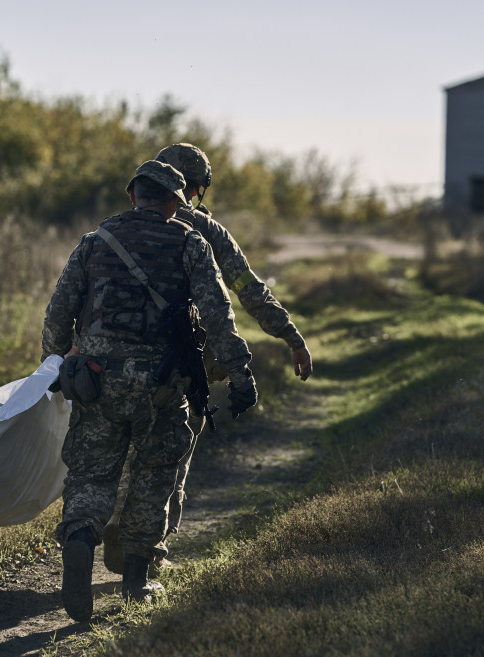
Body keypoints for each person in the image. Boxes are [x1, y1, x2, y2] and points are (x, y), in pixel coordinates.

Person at [42, 160, 257, 622]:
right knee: (155, 473)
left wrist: (57, 363)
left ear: (133, 195)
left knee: (93, 472)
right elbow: (219, 315)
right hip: (162, 384)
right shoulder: (190, 242)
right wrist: (241, 375)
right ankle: (136, 580)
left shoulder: (94, 243)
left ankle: (79, 537)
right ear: (177, 202)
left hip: (97, 378)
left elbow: (58, 313)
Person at [102, 142, 314, 575]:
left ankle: (115, 528)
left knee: (125, 454)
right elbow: (249, 290)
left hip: (115, 364)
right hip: (182, 367)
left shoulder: (118, 228)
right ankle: (151, 554)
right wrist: (291, 336)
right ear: (192, 189)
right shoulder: (206, 232)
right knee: (172, 459)